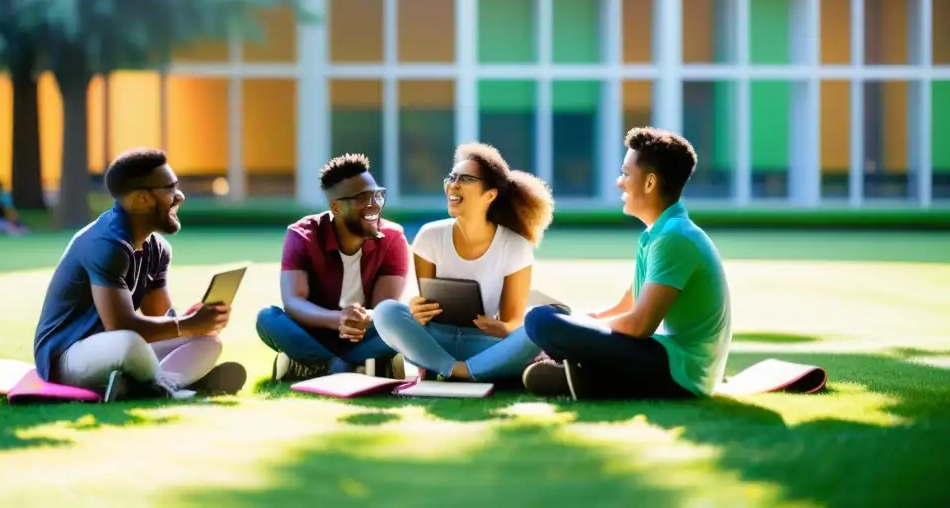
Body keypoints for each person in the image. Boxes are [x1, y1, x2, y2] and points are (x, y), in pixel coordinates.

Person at [522, 127, 733, 401]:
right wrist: (580, 321)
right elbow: (625, 308)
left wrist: (574, 330)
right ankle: (589, 379)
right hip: (670, 363)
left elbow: (639, 325)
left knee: (540, 321)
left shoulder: (674, 238)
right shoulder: (658, 233)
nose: (619, 182)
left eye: (626, 173)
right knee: (548, 316)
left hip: (683, 374)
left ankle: (587, 374)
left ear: (649, 183)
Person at [32, 148, 246, 402]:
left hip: (117, 350)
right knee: (128, 344)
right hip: (66, 357)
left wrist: (196, 322)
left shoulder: (157, 249)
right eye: (170, 188)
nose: (179, 196)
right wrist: (187, 325)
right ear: (142, 199)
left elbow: (162, 318)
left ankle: (142, 386)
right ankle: (167, 387)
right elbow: (121, 326)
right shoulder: (106, 244)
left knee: (209, 342)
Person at [372, 143, 553, 384]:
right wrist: (417, 311)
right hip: (436, 340)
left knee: (543, 321)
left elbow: (513, 323)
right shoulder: (429, 235)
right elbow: (426, 307)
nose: (453, 184)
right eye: (451, 177)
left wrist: (501, 328)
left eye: (466, 179)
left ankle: (460, 370)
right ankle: (467, 370)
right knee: (386, 311)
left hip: (484, 343)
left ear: (490, 194)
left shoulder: (515, 246)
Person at [256, 154, 410, 382]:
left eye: (377, 195)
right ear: (336, 207)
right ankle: (347, 366)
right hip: (313, 332)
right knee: (268, 317)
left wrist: (363, 318)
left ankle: (316, 365)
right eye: (362, 198)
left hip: (363, 333)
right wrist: (337, 319)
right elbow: (294, 302)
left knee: (410, 322)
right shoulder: (301, 235)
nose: (374, 204)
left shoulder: (392, 237)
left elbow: (384, 308)